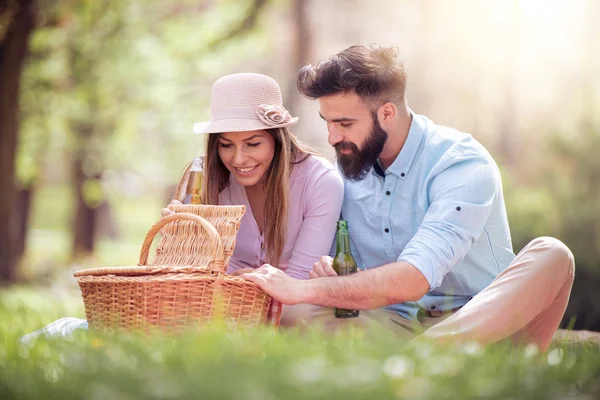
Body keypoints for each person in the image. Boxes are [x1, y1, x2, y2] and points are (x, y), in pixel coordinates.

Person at [241, 44, 575, 352]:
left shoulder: (460, 163)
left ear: (386, 113)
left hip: (483, 323)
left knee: (554, 254)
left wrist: (303, 289)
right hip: (391, 326)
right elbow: (341, 275)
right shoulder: (344, 171)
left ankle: (421, 359)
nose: (332, 136)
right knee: (296, 318)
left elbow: (414, 278)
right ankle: (417, 361)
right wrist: (329, 272)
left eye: (344, 123)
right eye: (327, 122)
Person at [20, 73, 344, 342]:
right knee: (150, 325)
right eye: (226, 145)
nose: (239, 160)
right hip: (213, 308)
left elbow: (298, 286)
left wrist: (239, 279)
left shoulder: (320, 182)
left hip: (284, 313)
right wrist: (180, 236)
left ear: (278, 137)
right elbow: (194, 274)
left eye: (253, 144)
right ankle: (69, 333)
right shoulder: (208, 181)